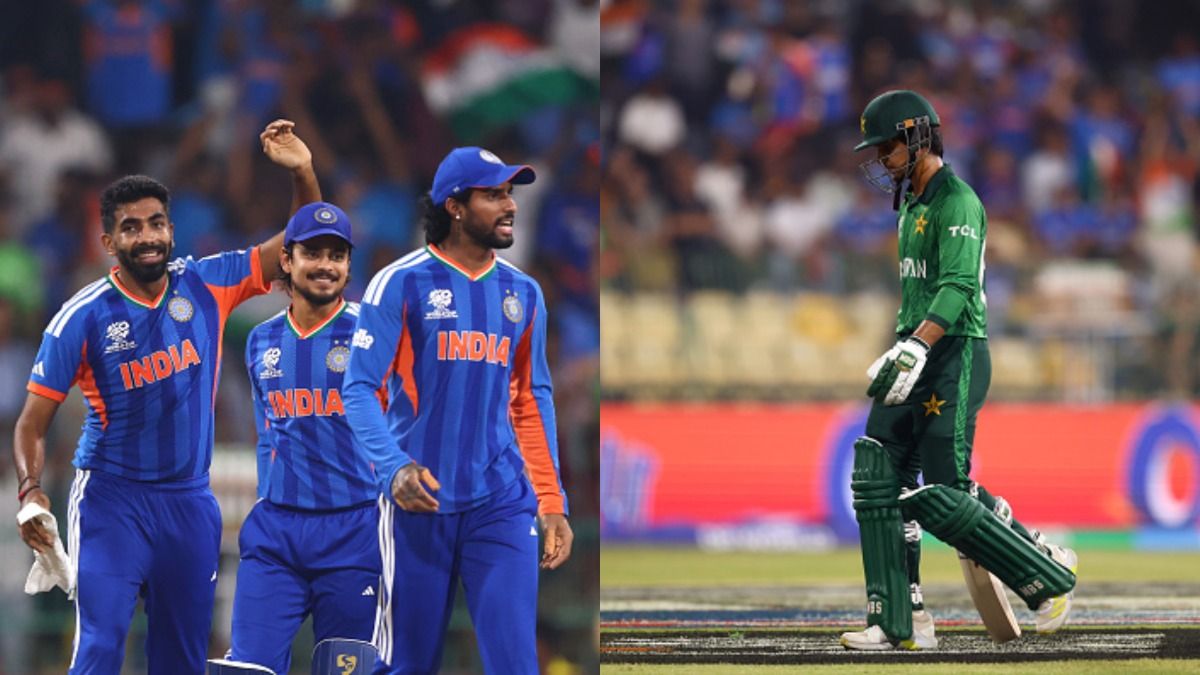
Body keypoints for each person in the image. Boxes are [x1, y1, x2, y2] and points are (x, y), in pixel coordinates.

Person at [13, 119, 319, 673]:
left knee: (181, 658)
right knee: (101, 644)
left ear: (172, 230)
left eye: (156, 223)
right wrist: (32, 493)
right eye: (131, 228)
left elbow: (302, 245)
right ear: (109, 242)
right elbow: (32, 422)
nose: (147, 236)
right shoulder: (80, 317)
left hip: (190, 503)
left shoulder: (207, 283)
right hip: (112, 501)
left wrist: (302, 172)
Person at [839, 90, 1078, 651]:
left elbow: (958, 287)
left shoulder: (959, 202)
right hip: (914, 351)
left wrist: (919, 346)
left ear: (919, 136)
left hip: (955, 351)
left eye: (887, 147)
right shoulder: (912, 207)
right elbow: (917, 294)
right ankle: (902, 620)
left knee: (947, 492)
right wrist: (902, 346)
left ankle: (1048, 577)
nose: (881, 160)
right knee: (878, 477)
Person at [342, 147, 573, 673]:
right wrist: (393, 467)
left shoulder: (524, 293)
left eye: (510, 193)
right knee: (408, 663)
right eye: (493, 195)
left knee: (516, 663)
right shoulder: (400, 283)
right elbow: (358, 389)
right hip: (420, 500)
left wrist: (551, 498)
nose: (509, 205)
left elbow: (531, 400)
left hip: (500, 501)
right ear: (455, 206)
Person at [229, 201, 379, 672]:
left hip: (356, 530)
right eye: (313, 253)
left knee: (344, 667)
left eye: (336, 255)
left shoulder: (374, 334)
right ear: (287, 261)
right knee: (249, 667)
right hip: (276, 532)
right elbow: (267, 429)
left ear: (349, 266)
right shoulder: (260, 339)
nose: (325, 265)